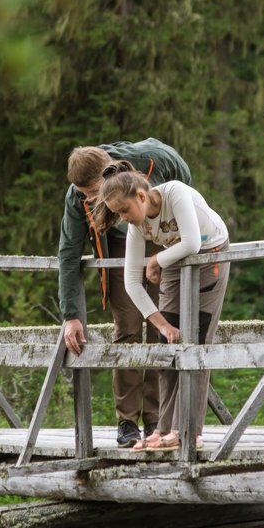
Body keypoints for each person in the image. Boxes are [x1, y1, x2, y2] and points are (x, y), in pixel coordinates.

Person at [58, 139, 192, 447]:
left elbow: (183, 182)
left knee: (164, 325)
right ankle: (128, 421)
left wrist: (177, 227)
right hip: (117, 247)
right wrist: (72, 315)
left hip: (159, 235)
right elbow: (68, 252)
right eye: (84, 195)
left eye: (93, 192)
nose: (90, 199)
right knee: (128, 327)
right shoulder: (77, 197)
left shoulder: (152, 159)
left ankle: (158, 419)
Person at [98, 162, 229, 451]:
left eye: (124, 210)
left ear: (141, 197)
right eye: (117, 213)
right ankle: (165, 428)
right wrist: (163, 325)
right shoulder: (137, 227)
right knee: (169, 346)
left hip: (210, 256)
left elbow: (193, 242)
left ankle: (189, 431)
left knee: (194, 343)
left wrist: (157, 260)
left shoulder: (176, 193)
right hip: (174, 260)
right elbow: (133, 283)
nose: (123, 218)